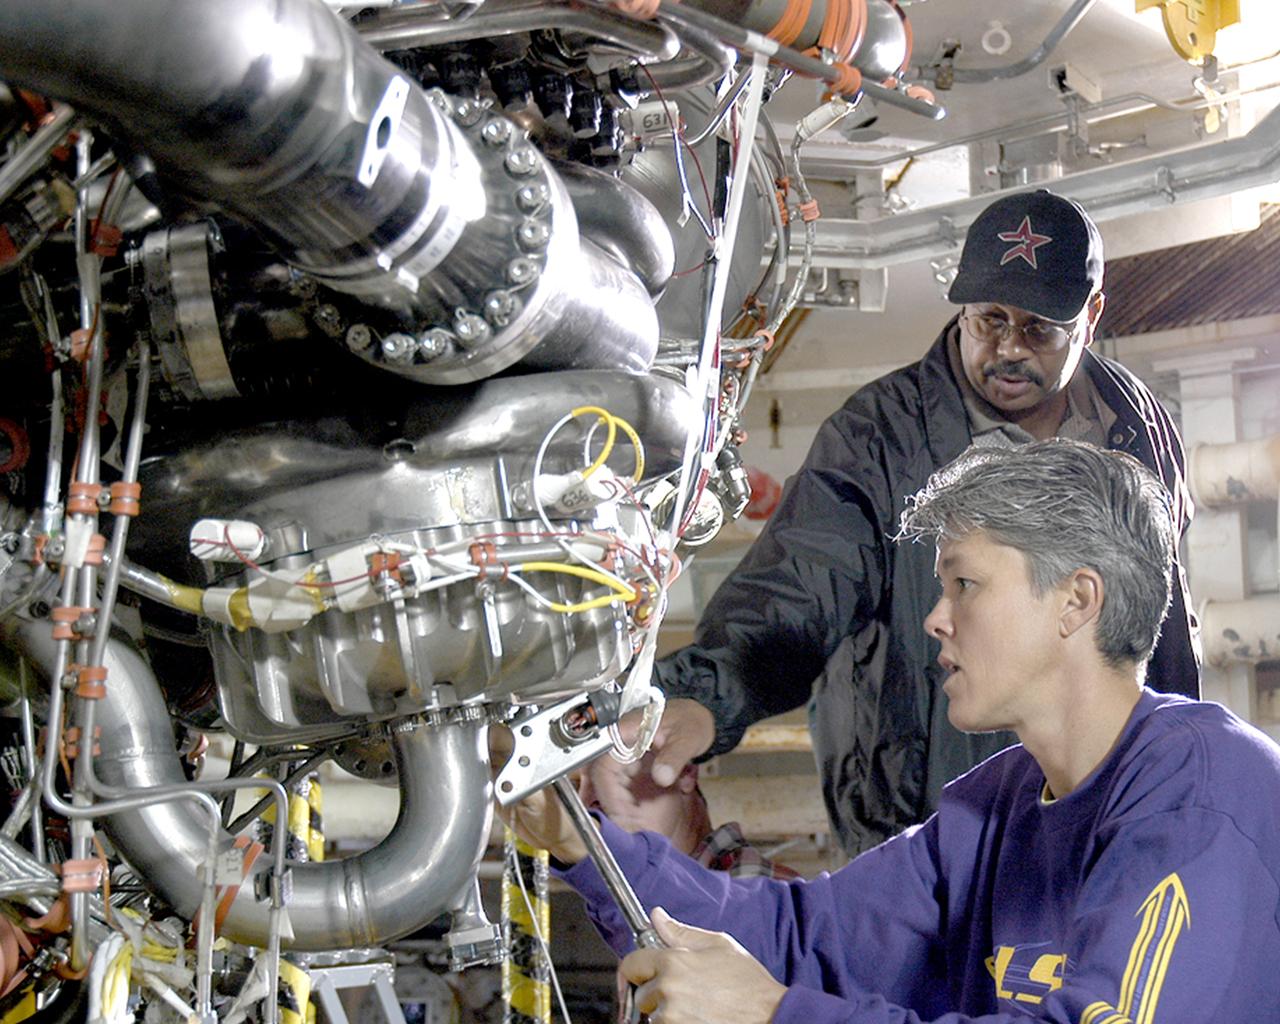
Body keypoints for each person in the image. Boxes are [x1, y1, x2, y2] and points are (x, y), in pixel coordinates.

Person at [506, 440, 1280, 1024]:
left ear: (1076, 601)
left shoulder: (1204, 794)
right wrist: (582, 843)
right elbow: (803, 936)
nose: (936, 619)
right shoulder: (997, 802)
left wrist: (774, 1013)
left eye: (965, 585)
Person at [645, 188, 1202, 855]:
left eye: (1039, 329)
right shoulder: (878, 436)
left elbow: (1163, 620)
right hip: (926, 824)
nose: (1008, 349)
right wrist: (708, 698)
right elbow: (799, 584)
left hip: (1109, 817)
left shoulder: (1138, 428)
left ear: (1093, 314)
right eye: (988, 319)